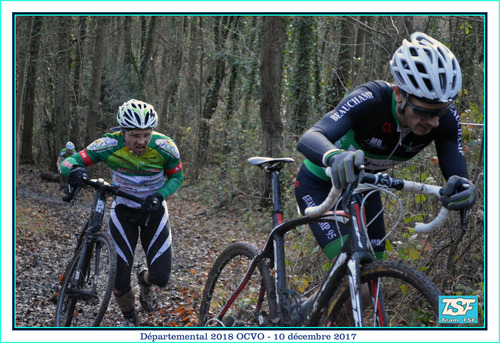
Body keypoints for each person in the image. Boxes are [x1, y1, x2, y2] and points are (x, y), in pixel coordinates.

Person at [295, 32, 477, 262]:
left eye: (439, 111)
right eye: (424, 111)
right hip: (320, 185)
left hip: (365, 187)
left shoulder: (444, 120)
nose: (434, 122)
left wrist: (465, 188)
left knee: (373, 280)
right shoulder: (371, 99)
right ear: (399, 94)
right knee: (354, 271)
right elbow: (311, 136)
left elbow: (457, 173)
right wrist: (333, 156)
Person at [60, 99, 184, 326]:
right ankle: (130, 319)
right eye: (135, 135)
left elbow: (177, 176)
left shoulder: (165, 147)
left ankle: (144, 280)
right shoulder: (108, 144)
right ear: (123, 132)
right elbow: (69, 161)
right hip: (123, 210)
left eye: (146, 134)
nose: (142, 141)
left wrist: (160, 194)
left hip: (153, 211)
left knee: (161, 277)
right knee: (119, 278)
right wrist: (75, 170)